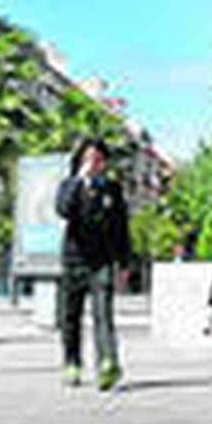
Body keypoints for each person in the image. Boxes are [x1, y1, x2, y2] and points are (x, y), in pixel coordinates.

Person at [56, 137, 132, 391]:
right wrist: (80, 180)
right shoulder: (70, 185)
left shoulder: (112, 189)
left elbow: (121, 227)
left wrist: (124, 262)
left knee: (103, 314)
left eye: (99, 159)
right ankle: (72, 363)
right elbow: (63, 209)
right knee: (70, 316)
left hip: (103, 261)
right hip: (74, 259)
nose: (94, 164)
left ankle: (107, 363)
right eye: (89, 159)